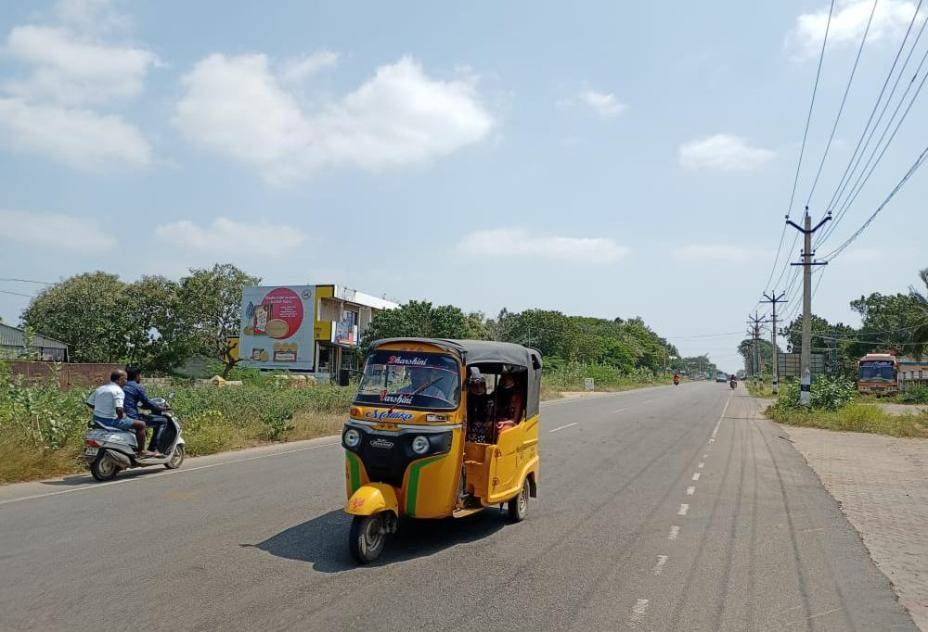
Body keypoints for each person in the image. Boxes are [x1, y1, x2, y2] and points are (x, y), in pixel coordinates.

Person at [85, 370, 156, 457]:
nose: (126, 382)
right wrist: (122, 416)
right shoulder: (118, 391)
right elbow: (119, 409)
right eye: (125, 379)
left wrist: (101, 409)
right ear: (120, 379)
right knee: (141, 425)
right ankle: (141, 451)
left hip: (98, 419)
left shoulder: (100, 388)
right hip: (111, 421)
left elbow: (89, 403)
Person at [123, 366, 165, 454]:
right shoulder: (138, 387)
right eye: (140, 375)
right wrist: (160, 407)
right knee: (163, 421)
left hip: (120, 415)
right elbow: (147, 403)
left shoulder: (121, 385)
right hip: (132, 417)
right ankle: (153, 449)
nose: (141, 377)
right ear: (137, 375)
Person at [466, 375, 494, 443]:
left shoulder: (489, 399)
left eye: (481, 386)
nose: (478, 389)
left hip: (484, 425)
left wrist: (485, 424)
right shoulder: (467, 399)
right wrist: (468, 424)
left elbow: (491, 415)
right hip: (471, 425)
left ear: (484, 386)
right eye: (476, 386)